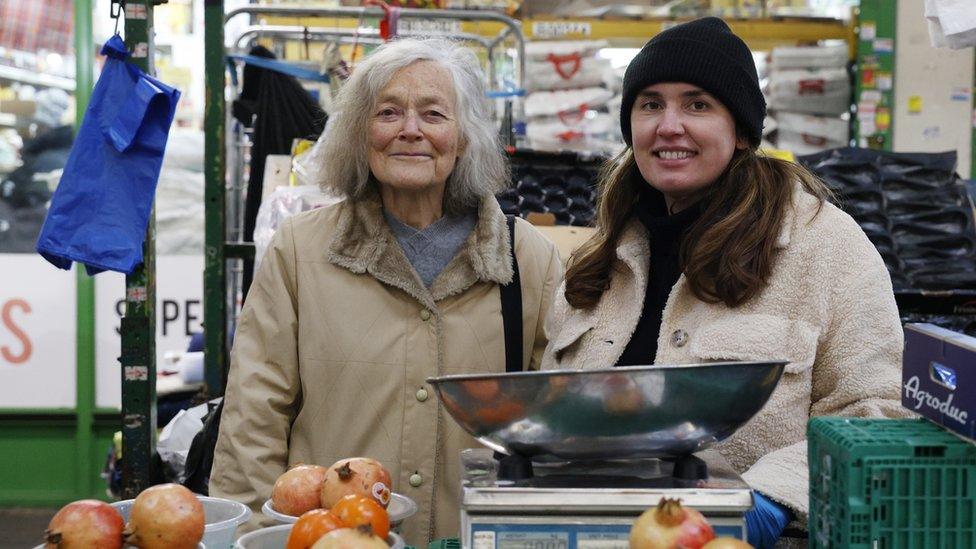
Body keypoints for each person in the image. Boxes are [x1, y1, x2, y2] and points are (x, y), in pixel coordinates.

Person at [540, 18, 908, 549]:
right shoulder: (602, 256)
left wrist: (770, 500)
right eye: (650, 104)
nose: (669, 126)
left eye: (697, 105)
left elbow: (877, 411)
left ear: (739, 132)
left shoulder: (821, 245)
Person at [211, 38, 562, 545]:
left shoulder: (526, 258)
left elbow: (553, 428)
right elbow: (252, 420)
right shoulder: (300, 251)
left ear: (464, 138)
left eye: (434, 114)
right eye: (389, 112)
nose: (410, 131)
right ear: (360, 133)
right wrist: (255, 538)